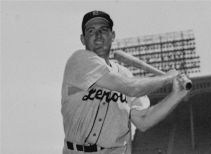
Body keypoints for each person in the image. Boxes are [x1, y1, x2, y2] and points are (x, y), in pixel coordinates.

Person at [61, 10, 189, 154]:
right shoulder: (79, 61)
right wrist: (168, 77)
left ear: (112, 36)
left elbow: (143, 120)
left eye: (103, 30)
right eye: (91, 31)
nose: (98, 36)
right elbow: (131, 88)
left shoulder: (125, 74)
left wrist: (176, 95)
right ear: (83, 39)